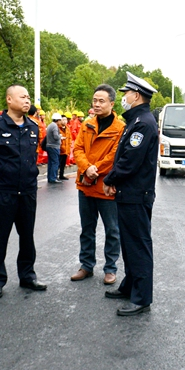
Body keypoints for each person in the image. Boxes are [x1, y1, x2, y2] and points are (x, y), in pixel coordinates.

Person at [0, 85, 47, 299]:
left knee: (27, 236)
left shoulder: (33, 127)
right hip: (4, 191)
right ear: (9, 99)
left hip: (27, 190)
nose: (27, 100)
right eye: (22, 97)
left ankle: (27, 275)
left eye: (28, 97)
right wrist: (3, 175)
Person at [102, 73, 159, 316]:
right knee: (129, 244)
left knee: (138, 245)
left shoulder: (143, 123)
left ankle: (141, 298)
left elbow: (129, 161)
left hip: (136, 194)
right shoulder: (136, 121)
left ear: (136, 96)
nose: (124, 96)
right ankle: (130, 285)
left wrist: (110, 179)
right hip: (129, 193)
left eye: (126, 93)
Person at [70, 84, 124, 285]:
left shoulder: (120, 129)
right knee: (87, 228)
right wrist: (86, 169)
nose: (97, 104)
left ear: (111, 103)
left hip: (105, 186)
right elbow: (78, 149)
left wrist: (94, 171)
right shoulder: (87, 125)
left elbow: (115, 156)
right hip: (85, 184)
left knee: (112, 229)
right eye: (95, 100)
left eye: (101, 101)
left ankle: (110, 269)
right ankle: (86, 265)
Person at [45, 112, 63, 184]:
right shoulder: (55, 126)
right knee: (55, 162)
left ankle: (50, 177)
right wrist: (60, 136)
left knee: (50, 162)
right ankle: (53, 178)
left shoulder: (49, 125)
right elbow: (56, 137)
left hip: (49, 146)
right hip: (54, 146)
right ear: (57, 120)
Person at [58, 114, 71, 181]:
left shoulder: (67, 129)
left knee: (63, 164)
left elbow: (69, 139)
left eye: (65, 120)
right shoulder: (58, 128)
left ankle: (61, 175)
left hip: (66, 149)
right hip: (60, 149)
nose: (65, 121)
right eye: (63, 120)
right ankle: (55, 175)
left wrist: (69, 148)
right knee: (58, 164)